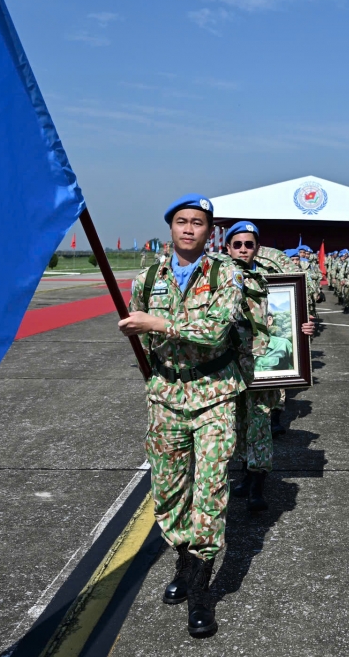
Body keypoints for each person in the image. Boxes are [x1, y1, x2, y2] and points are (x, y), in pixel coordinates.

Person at [119, 194, 244, 637]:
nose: (189, 229)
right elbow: (141, 337)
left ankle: (200, 593)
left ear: (210, 233)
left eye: (199, 223)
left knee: (209, 490)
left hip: (213, 395)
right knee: (170, 492)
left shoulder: (226, 273)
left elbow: (215, 330)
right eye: (182, 222)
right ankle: (184, 561)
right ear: (170, 228)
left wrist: (156, 324)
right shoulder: (148, 277)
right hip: (167, 395)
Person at [224, 222, 315, 512]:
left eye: (248, 244)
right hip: (228, 368)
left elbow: (288, 316)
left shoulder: (271, 281)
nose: (243, 249)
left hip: (262, 367)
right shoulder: (215, 277)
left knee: (259, 425)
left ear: (257, 248)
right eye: (237, 244)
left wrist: (304, 328)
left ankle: (257, 485)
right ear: (227, 247)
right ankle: (244, 473)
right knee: (236, 425)